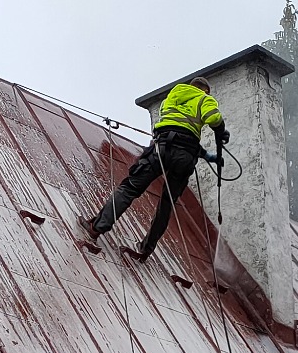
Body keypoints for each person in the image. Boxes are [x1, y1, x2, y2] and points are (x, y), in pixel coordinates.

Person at [85, 76, 229, 259]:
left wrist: (206, 155)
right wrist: (221, 131)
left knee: (130, 188)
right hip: (185, 156)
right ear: (205, 90)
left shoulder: (174, 95)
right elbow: (213, 118)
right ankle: (145, 249)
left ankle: (96, 228)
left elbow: (176, 129)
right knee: (167, 204)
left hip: (161, 149)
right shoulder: (204, 98)